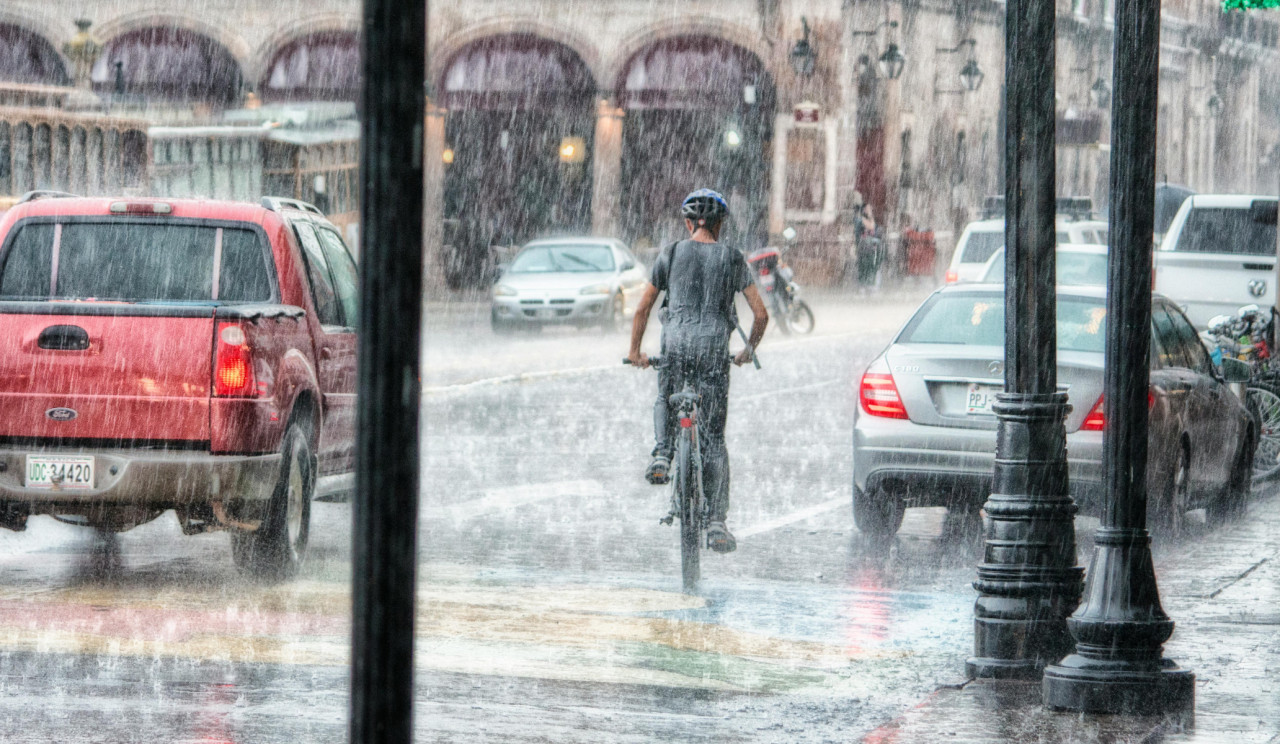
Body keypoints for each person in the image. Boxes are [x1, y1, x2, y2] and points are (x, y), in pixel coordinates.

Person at [626, 189, 769, 554]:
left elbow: (643, 309)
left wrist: (635, 351)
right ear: (720, 225)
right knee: (714, 439)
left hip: (675, 346)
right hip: (712, 352)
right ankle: (717, 522)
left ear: (688, 223)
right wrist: (747, 350)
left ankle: (661, 453)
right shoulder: (733, 258)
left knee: (665, 395)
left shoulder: (671, 253)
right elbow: (761, 314)